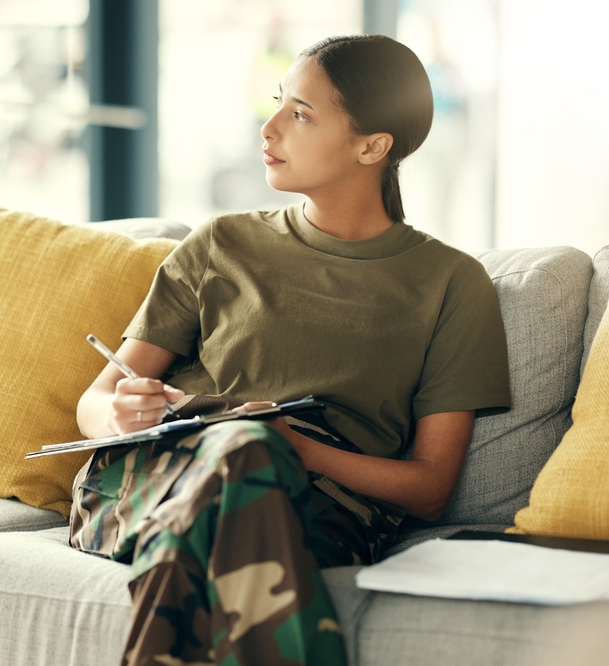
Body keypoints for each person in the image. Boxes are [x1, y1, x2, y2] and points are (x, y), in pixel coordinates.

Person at [70, 35, 511, 666]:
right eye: (278, 103)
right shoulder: (219, 243)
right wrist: (121, 415)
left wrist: (295, 449)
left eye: (300, 114)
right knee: (240, 457)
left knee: (239, 468)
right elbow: (95, 404)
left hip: (318, 504)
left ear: (372, 146)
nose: (269, 127)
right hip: (151, 479)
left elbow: (430, 488)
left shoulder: (450, 283)